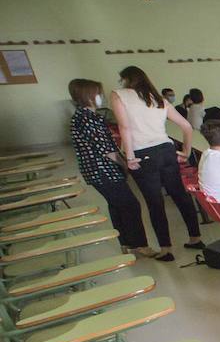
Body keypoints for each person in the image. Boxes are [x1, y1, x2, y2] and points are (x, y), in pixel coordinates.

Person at [110, 65, 204, 259]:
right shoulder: (158, 99)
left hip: (142, 154)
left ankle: (166, 249)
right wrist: (185, 151)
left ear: (126, 80)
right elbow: (186, 126)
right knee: (180, 195)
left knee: (155, 203)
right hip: (166, 150)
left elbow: (124, 128)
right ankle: (195, 238)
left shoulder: (118, 95)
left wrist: (129, 157)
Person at [67, 78, 152, 257]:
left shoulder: (86, 116)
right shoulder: (87, 118)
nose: (101, 97)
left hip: (99, 171)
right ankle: (140, 245)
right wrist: (126, 164)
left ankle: (127, 244)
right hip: (102, 170)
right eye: (98, 93)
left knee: (117, 205)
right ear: (88, 96)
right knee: (131, 205)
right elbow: (107, 151)